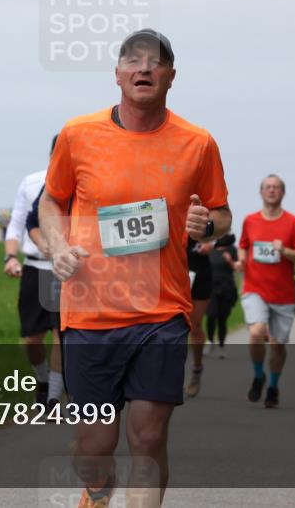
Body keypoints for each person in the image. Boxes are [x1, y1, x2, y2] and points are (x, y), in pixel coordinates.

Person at [38, 29, 230, 507]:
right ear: (118, 74)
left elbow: (222, 214)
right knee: (95, 446)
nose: (144, 69)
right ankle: (96, 492)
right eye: (133, 61)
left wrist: (207, 226)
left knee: (148, 437)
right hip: (90, 313)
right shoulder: (78, 135)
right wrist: (58, 245)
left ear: (171, 77)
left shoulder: (198, 143)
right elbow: (51, 200)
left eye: (155, 62)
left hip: (161, 311)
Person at [233, 175, 295, 408]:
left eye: (276, 187)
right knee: (256, 332)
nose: (272, 191)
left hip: (283, 295)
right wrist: (242, 262)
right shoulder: (250, 220)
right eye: (268, 187)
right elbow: (243, 245)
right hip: (255, 288)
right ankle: (258, 375)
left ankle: (273, 386)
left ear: (283, 193)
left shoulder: (293, 223)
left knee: (278, 346)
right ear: (261, 192)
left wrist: (284, 250)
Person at [3, 136, 63, 408]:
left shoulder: (83, 184)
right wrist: (10, 257)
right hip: (35, 267)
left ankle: (52, 398)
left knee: (61, 334)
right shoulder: (32, 183)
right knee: (32, 338)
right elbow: (17, 223)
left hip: (65, 271)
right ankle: (42, 380)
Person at [185, 237, 212, 397]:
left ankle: (196, 369)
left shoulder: (203, 212)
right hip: (171, 271)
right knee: (171, 325)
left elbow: (226, 234)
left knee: (194, 325)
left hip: (198, 273)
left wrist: (212, 243)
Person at [204, 234, 238, 358]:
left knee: (222, 318)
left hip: (227, 288)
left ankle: (221, 347)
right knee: (211, 315)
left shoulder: (232, 249)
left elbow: (237, 267)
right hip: (211, 288)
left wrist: (230, 261)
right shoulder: (210, 249)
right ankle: (210, 341)